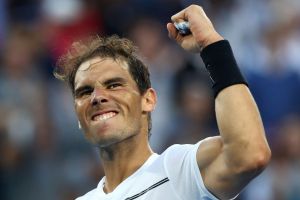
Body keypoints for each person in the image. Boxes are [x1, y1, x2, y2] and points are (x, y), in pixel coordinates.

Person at [54, 5, 271, 200]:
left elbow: (249, 154)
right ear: (78, 115)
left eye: (114, 85)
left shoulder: (178, 169)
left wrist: (212, 45)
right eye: (84, 91)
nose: (96, 97)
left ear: (148, 100)